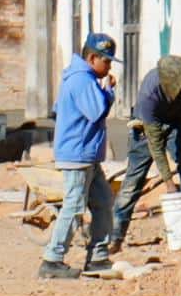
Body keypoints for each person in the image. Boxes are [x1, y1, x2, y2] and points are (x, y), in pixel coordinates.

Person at [101, 39, 181, 256]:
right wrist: (167, 182)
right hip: (147, 128)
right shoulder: (150, 94)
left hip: (177, 122)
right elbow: (155, 145)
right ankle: (115, 237)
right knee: (133, 182)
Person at [39, 31, 121, 279]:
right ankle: (52, 260)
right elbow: (96, 111)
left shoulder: (80, 78)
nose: (108, 67)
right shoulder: (81, 80)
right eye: (106, 61)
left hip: (87, 155)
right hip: (77, 155)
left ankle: (97, 256)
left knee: (103, 202)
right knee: (74, 207)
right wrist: (107, 92)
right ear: (92, 57)